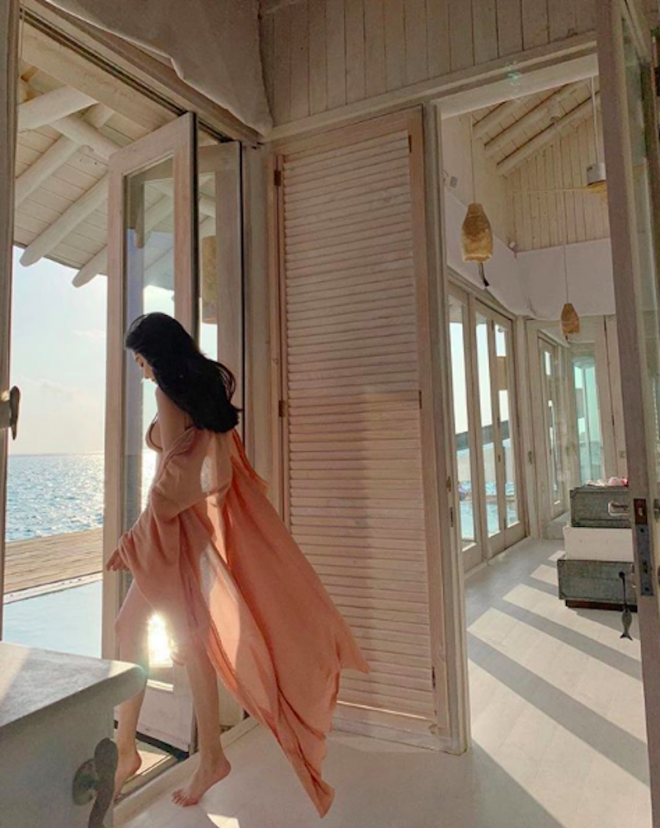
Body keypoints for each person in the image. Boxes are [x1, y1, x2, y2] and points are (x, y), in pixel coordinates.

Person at [107, 312, 369, 816]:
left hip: (176, 538)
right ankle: (171, 753)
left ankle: (160, 753)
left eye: (140, 360)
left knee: (149, 632)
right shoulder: (203, 394)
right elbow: (206, 473)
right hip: (190, 535)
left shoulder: (168, 395)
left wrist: (132, 541)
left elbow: (170, 486)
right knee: (174, 638)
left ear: (155, 356)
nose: (140, 370)